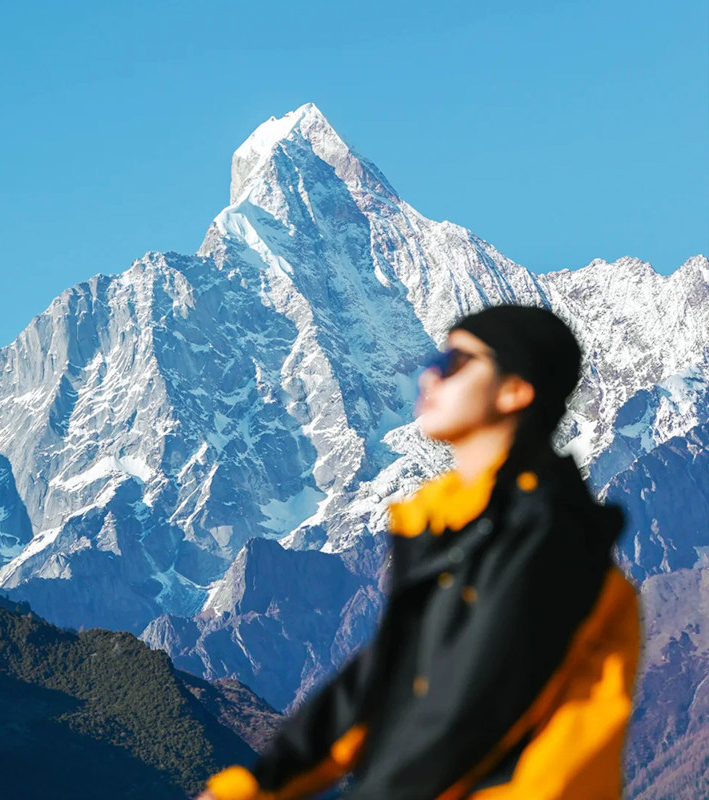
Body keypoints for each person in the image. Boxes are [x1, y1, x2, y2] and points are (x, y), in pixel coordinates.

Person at [197, 304, 641, 800]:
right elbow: (377, 688)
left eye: (453, 361)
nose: (427, 375)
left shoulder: (548, 538)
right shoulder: (461, 534)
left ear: (516, 390)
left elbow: (470, 713)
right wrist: (253, 788)